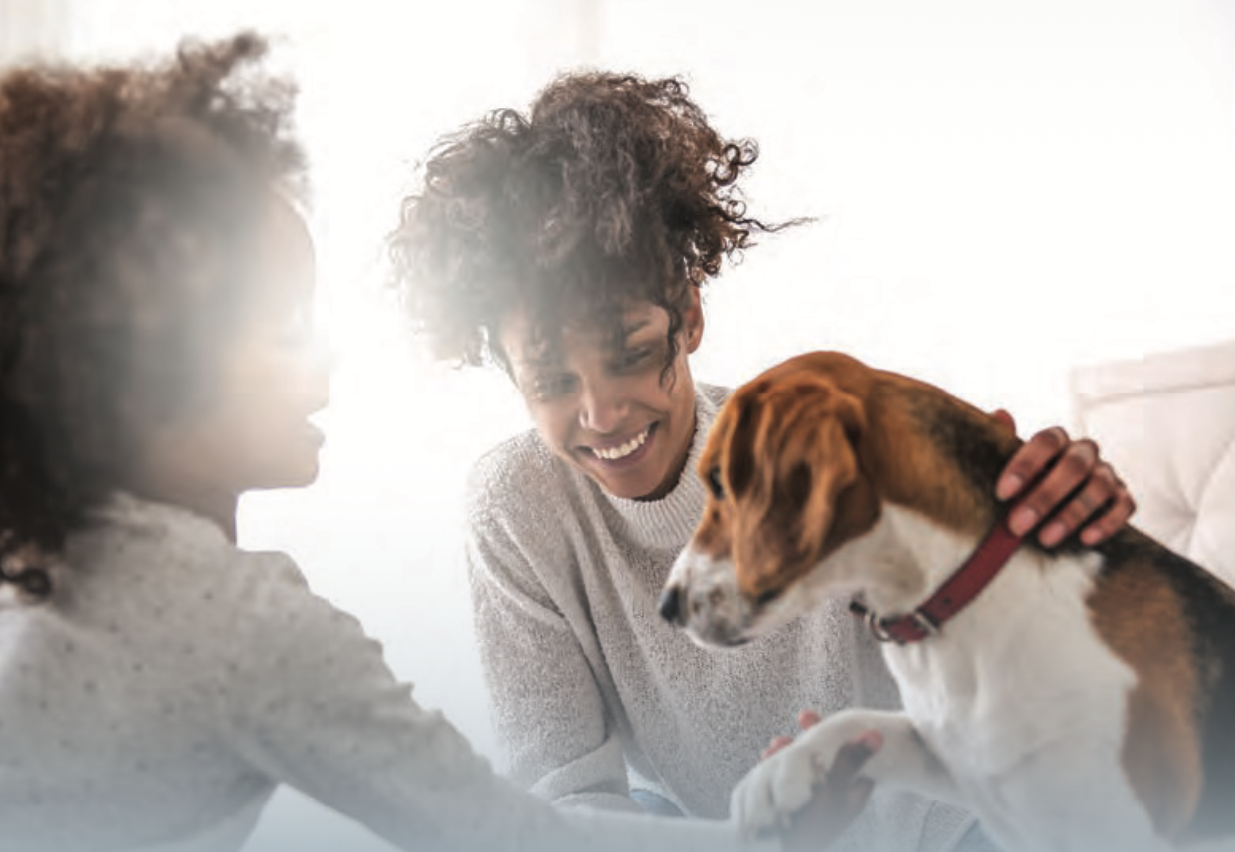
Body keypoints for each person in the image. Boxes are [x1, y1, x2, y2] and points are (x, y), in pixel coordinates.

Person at [0, 37, 860, 852]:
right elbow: (501, 834)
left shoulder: (14, 579)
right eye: (279, 325)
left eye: (628, 353)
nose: (323, 351)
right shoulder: (239, 625)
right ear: (148, 375)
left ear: (687, 319)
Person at [387, 70, 1136, 852]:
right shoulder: (516, 510)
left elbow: (1036, 607)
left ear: (690, 316)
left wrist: (1063, 520)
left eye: (634, 352)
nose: (603, 413)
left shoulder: (824, 442)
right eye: (550, 381)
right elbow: (561, 808)